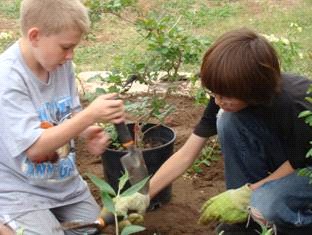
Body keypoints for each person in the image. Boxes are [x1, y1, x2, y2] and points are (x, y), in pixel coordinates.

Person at [116, 28, 312, 234]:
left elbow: (298, 161)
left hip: (307, 165)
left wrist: (248, 194)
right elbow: (187, 153)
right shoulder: (228, 91)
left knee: (265, 204)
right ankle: (244, 221)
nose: (218, 100)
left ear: (253, 88)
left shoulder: (298, 104)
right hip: (290, 154)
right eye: (214, 93)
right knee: (227, 119)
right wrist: (144, 195)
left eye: (225, 96)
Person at [0, 0, 125, 234]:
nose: (70, 55)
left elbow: (69, 113)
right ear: (35, 36)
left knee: (94, 229)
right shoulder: (7, 78)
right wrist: (89, 116)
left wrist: (87, 130)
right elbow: (35, 149)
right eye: (65, 47)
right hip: (18, 189)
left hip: (63, 184)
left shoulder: (59, 65)